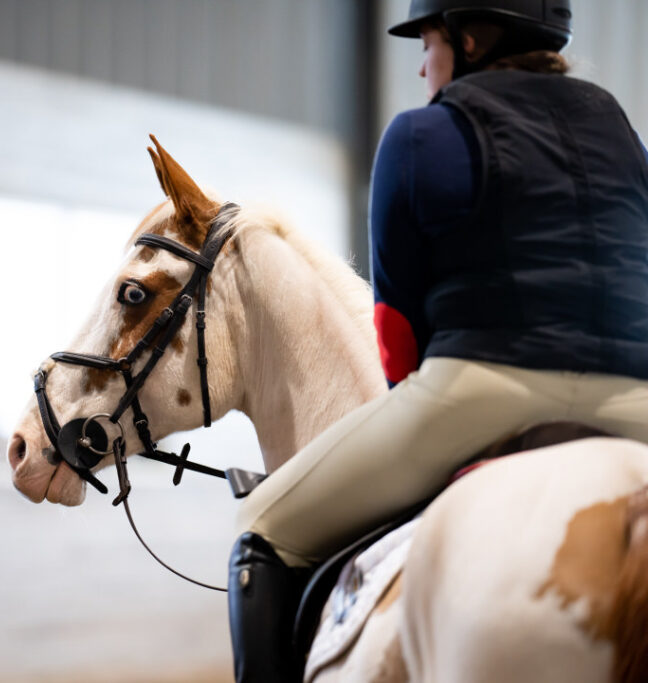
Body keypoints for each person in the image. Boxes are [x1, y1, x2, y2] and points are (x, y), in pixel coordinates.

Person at [226, 1, 648, 681]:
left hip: (483, 387)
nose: (423, 65)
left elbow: (396, 327)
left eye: (428, 43)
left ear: (470, 38)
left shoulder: (421, 136)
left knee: (263, 533)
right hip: (637, 395)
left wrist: (409, 428)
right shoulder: (625, 137)